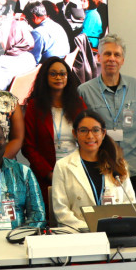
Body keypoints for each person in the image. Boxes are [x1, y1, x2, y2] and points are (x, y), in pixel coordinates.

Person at [77, 34, 136, 198]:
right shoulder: (84, 91)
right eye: (107, 54)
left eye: (117, 55)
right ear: (99, 57)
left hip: (134, 164)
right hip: (101, 164)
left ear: (122, 60)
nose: (112, 59)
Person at [51, 110, 136, 232]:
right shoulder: (63, 166)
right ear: (75, 133)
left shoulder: (118, 164)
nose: (90, 136)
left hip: (116, 232)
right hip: (80, 234)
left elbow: (130, 204)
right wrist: (90, 229)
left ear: (103, 133)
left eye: (95, 130)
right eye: (84, 130)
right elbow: (61, 211)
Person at [22, 56, 87, 203]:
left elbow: (88, 138)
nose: (58, 77)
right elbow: (28, 146)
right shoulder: (34, 106)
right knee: (50, 218)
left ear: (68, 77)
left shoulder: (78, 104)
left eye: (62, 74)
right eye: (53, 74)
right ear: (45, 77)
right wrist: (49, 173)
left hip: (76, 171)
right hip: (46, 176)